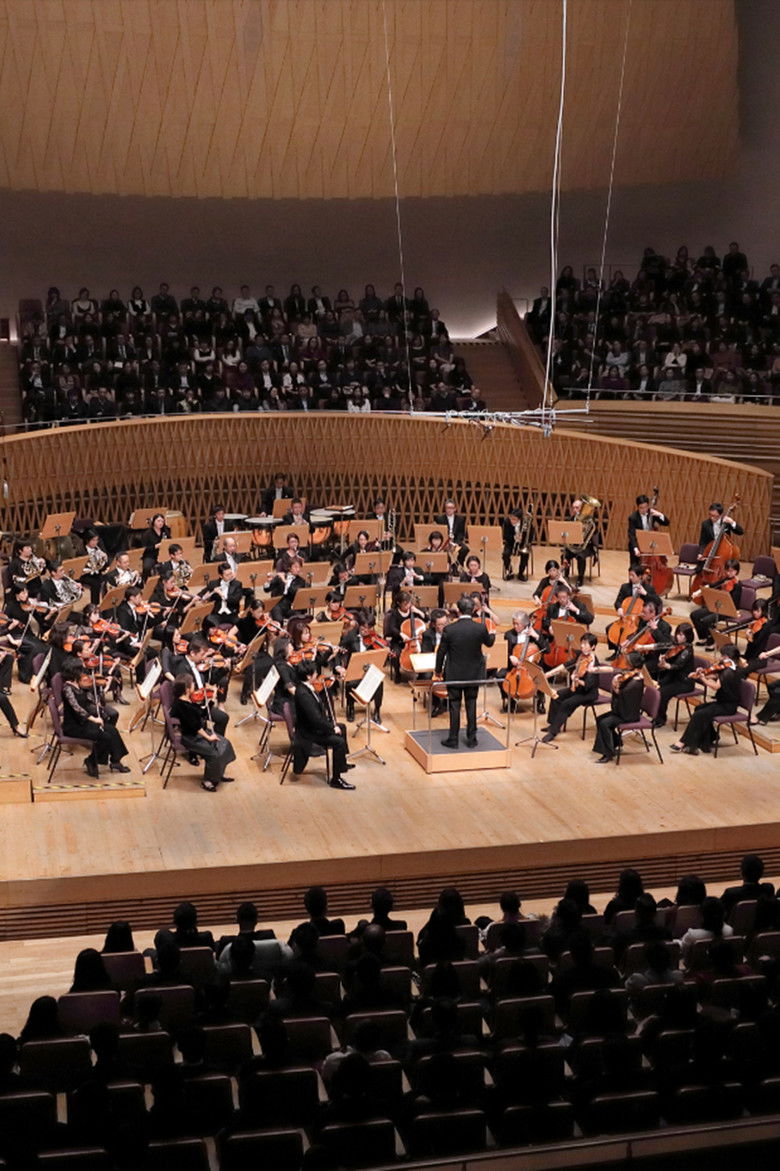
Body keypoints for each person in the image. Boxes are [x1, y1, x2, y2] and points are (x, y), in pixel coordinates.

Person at [435, 595, 495, 749]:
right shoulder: (480, 628)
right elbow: (489, 643)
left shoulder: (449, 629)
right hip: (473, 674)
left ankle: (453, 739)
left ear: (459, 611)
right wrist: (493, 633)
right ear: (473, 609)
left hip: (454, 673)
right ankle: (472, 739)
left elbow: (441, 652)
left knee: (455, 705)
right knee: (471, 704)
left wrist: (438, 671)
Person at [670, 643, 745, 755]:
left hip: (728, 706)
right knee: (699, 709)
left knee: (699, 714)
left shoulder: (729, 671)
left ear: (727, 657)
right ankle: (709, 739)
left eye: (722, 656)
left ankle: (683, 742)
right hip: (722, 702)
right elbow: (714, 676)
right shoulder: (728, 668)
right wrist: (702, 673)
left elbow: (715, 686)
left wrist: (703, 679)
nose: (720, 658)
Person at [60, 658, 130, 778]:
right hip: (74, 725)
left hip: (84, 722)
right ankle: (91, 760)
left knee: (112, 730)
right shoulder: (67, 688)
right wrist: (93, 719)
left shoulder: (78, 683)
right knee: (105, 737)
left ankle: (115, 761)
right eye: (80, 670)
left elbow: (87, 697)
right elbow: (77, 708)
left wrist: (96, 702)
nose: (83, 672)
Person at [293, 659, 354, 790]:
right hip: (309, 733)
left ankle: (341, 762)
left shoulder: (306, 687)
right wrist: (332, 727)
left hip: (314, 727)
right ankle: (336, 779)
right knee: (338, 742)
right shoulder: (303, 694)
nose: (317, 675)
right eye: (315, 673)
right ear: (308, 676)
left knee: (342, 727)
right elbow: (316, 720)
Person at [170, 674, 236, 791]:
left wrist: (211, 700)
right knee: (215, 753)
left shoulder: (187, 701)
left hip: (197, 733)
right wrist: (209, 738)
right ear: (187, 690)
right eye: (192, 684)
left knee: (225, 743)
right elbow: (196, 726)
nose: (194, 686)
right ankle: (207, 781)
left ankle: (218, 774)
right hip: (191, 738)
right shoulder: (183, 706)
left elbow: (202, 714)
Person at [541, 632, 599, 744]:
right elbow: (566, 665)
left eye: (586, 644)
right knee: (556, 696)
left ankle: (553, 732)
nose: (582, 646)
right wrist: (548, 674)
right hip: (576, 688)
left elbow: (589, 685)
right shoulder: (580, 656)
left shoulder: (593, 663)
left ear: (593, 647)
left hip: (588, 693)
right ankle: (552, 724)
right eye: (582, 643)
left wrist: (576, 679)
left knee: (566, 703)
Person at [591, 651, 645, 763]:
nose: (626, 665)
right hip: (621, 710)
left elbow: (621, 695)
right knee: (599, 719)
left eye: (628, 663)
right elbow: (616, 672)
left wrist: (615, 687)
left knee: (604, 723)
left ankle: (608, 754)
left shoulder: (635, 683)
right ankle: (616, 742)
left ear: (633, 665)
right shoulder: (631, 675)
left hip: (628, 714)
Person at [655, 621, 695, 726]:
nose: (678, 637)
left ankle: (661, 719)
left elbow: (677, 666)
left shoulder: (688, 650)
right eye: (678, 633)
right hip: (674, 677)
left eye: (682, 635)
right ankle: (656, 715)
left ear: (688, 636)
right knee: (657, 686)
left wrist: (665, 665)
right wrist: (662, 659)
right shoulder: (675, 645)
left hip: (684, 682)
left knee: (662, 693)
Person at [501, 506, 533, 582]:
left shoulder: (526, 522)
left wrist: (523, 539)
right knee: (505, 554)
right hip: (510, 543)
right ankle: (509, 570)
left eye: (514, 519)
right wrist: (514, 537)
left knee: (525, 555)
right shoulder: (507, 522)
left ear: (519, 519)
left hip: (522, 544)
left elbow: (531, 535)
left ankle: (521, 573)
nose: (512, 520)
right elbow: (505, 536)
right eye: (511, 518)